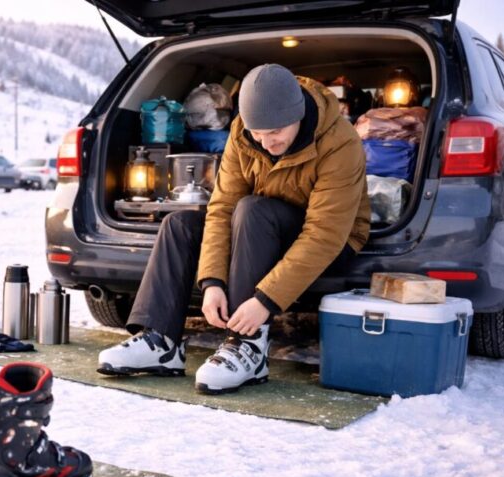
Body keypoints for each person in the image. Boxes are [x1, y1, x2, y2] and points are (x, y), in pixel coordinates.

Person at [98, 64, 370, 394]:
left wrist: (264, 301)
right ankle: (161, 342)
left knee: (253, 209)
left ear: (298, 113)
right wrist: (212, 281)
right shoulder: (243, 135)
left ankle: (248, 345)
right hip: (257, 226)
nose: (266, 142)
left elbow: (325, 234)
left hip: (329, 240)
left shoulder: (340, 143)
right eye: (258, 133)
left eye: (275, 132)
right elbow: (222, 207)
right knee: (180, 223)